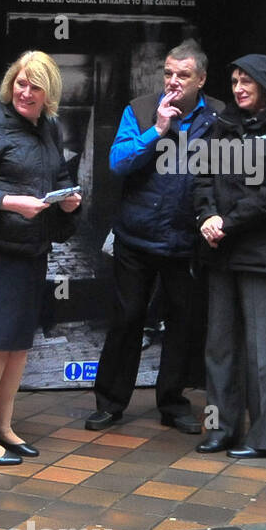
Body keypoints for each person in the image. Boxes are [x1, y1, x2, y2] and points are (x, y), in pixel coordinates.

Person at [0, 51, 81, 465]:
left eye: (35, 85)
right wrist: (9, 202)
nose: (26, 92)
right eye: (20, 82)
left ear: (49, 92)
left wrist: (69, 200)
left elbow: (58, 176)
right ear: (11, 84)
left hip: (28, 250)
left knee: (17, 345)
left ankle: (1, 428)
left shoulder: (49, 127)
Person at [85, 40, 223, 434]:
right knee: (127, 319)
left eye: (183, 75)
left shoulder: (218, 117)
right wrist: (158, 130)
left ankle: (173, 403)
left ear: (201, 79)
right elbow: (119, 162)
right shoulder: (142, 108)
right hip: (137, 236)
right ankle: (110, 403)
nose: (173, 82)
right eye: (168, 73)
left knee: (180, 324)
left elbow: (225, 174)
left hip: (185, 241)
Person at [193, 55, 266, 459]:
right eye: (235, 80)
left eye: (248, 81)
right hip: (222, 253)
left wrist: (228, 222)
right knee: (220, 348)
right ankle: (220, 429)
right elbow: (203, 176)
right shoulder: (224, 124)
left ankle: (265, 438)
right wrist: (207, 216)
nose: (239, 88)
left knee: (265, 351)